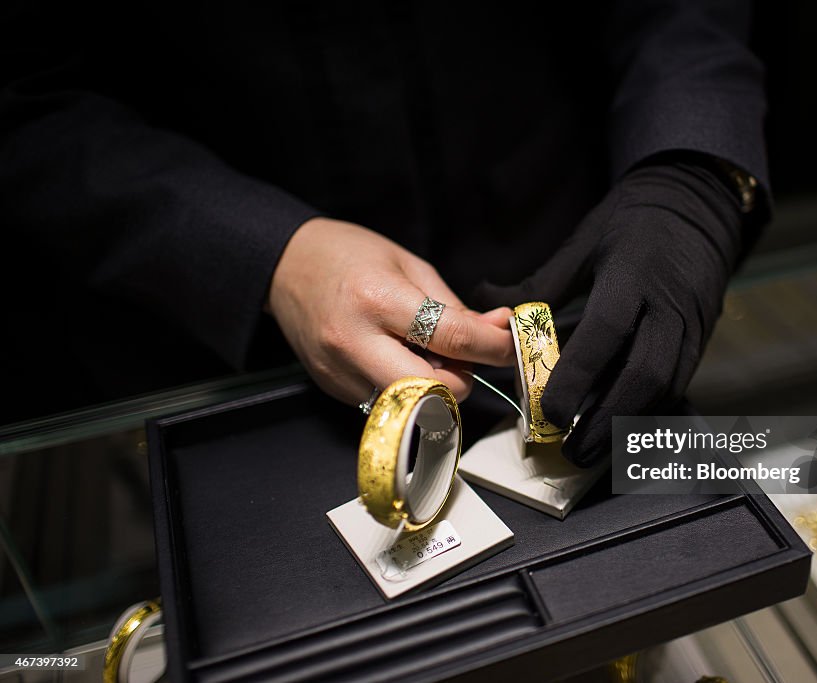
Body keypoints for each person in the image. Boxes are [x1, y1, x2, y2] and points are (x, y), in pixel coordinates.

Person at [1, 0, 768, 466]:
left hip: (565, 261)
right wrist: (269, 253)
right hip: (226, 356)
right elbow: (25, 97)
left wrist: (691, 167)